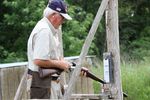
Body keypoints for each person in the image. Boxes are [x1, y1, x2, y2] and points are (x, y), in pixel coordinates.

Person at [27, 0, 87, 99]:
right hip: (42, 82)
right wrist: (61, 64)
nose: (63, 21)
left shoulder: (48, 29)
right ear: (53, 15)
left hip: (45, 83)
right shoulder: (44, 31)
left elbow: (53, 59)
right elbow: (39, 60)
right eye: (62, 17)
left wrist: (74, 67)